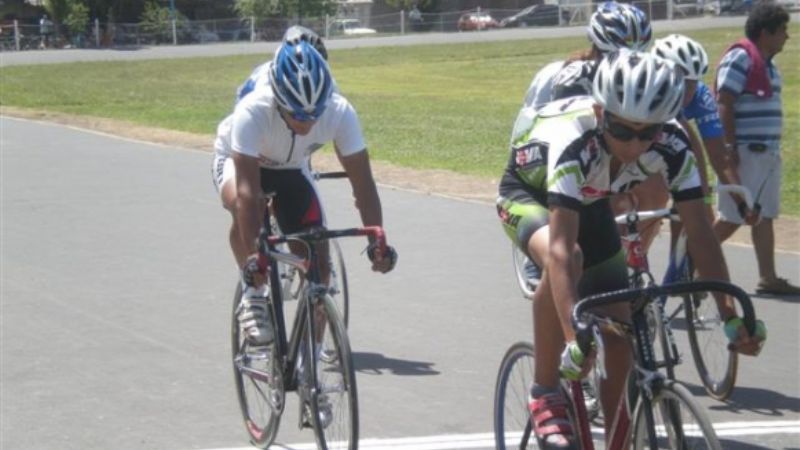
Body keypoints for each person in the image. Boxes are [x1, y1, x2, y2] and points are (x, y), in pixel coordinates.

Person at [496, 50, 765, 450]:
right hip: (529, 193)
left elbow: (700, 233)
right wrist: (574, 338)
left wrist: (729, 314)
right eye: (623, 132)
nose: (635, 145)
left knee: (619, 341)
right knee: (571, 261)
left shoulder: (673, 144)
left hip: (589, 200)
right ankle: (545, 389)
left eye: (647, 133)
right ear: (602, 114)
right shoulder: (576, 142)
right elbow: (560, 248)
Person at [212, 40, 398, 346]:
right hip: (242, 161)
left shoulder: (340, 111)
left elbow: (363, 184)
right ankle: (254, 296)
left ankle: (309, 363)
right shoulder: (253, 109)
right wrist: (256, 260)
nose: (307, 122)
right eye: (297, 114)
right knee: (248, 206)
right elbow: (247, 191)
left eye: (314, 115)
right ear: (279, 99)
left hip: (291, 168)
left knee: (319, 268)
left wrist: (377, 240)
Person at [512, 1, 652, 288]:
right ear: (599, 49)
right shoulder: (565, 77)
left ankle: (622, 261)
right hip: (550, 155)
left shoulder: (642, 82)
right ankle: (543, 253)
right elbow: (549, 139)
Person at [714, 1, 797, 295]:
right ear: (766, 33)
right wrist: (729, 146)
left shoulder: (766, 64)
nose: (787, 36)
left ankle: (768, 277)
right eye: (782, 31)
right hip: (747, 152)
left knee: (763, 215)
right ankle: (689, 265)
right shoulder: (741, 58)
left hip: (767, 153)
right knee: (735, 215)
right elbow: (724, 102)